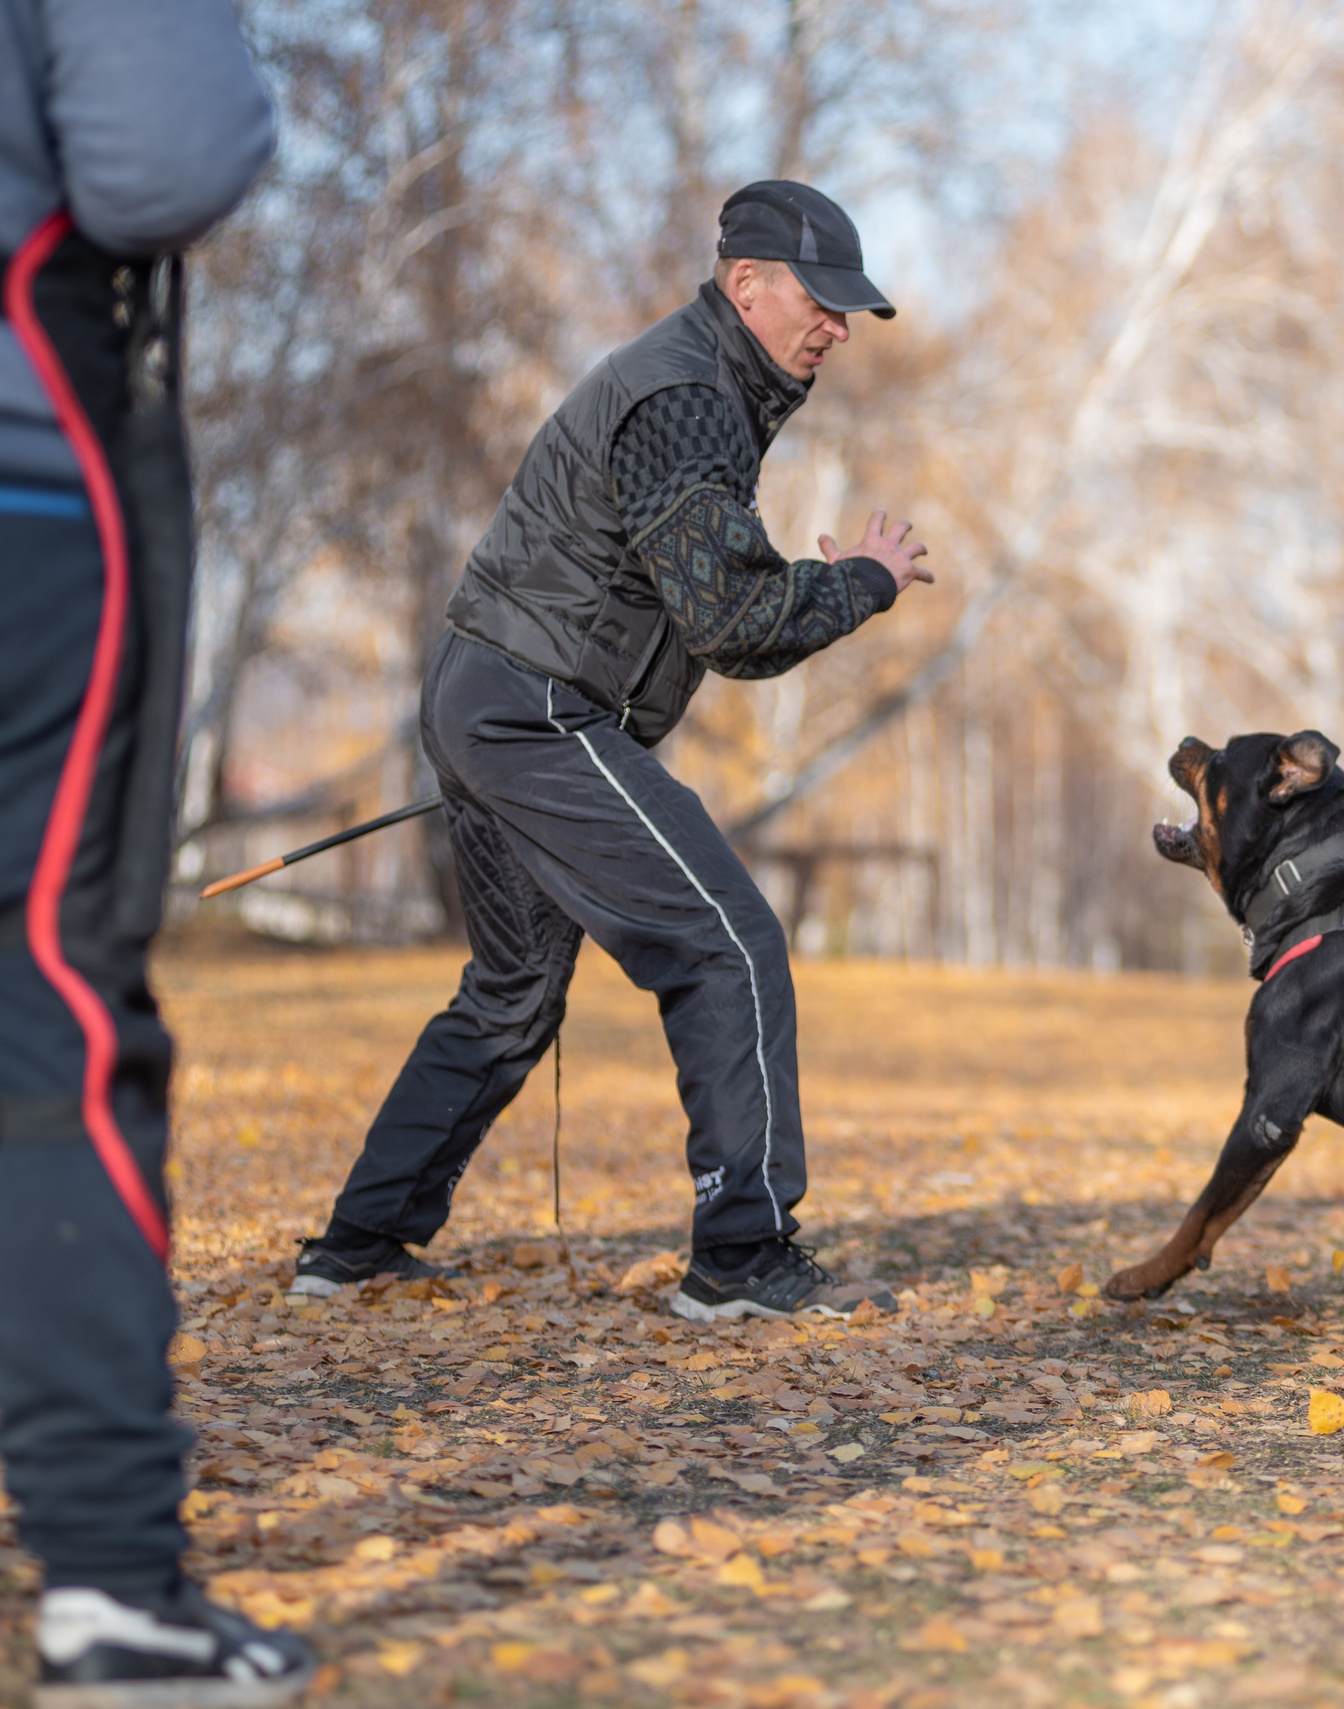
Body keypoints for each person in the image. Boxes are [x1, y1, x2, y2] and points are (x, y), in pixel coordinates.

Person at [287, 181, 931, 1325]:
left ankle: (355, 1246)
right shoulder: (685, 395)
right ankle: (743, 1254)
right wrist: (862, 581)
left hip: (493, 693)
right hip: (534, 705)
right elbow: (732, 625)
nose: (836, 326)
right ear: (747, 285)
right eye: (820, 300)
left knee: (510, 992)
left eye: (851, 310)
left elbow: (703, 592)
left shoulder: (702, 384)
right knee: (728, 939)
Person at [0, 3, 322, 1704]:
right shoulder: (668, 400)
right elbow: (168, 152)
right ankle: (118, 1595)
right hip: (27, 495)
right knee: (49, 1014)